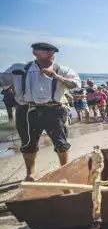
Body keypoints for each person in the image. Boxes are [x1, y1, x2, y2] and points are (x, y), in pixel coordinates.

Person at [0, 43, 80, 181]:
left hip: (55, 109)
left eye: (52, 53)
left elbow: (76, 85)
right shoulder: (19, 68)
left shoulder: (62, 69)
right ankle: (30, 174)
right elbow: (1, 81)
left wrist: (56, 76)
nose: (50, 55)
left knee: (61, 142)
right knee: (28, 143)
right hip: (27, 109)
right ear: (35, 53)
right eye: (45, 52)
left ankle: (64, 171)